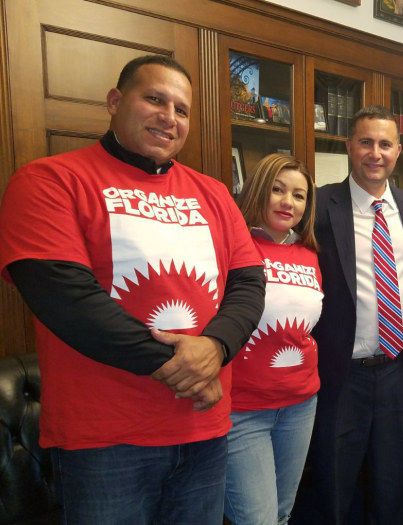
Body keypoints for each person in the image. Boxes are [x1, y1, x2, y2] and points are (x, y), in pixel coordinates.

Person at [0, 55, 266, 523]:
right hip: (106, 441)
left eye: (182, 110)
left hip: (205, 430)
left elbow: (248, 282)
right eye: (155, 99)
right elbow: (66, 297)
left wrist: (217, 347)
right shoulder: (50, 180)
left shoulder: (215, 194)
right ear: (115, 102)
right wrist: (190, 368)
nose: (169, 117)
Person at [310, 105, 403, 524]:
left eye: (384, 144)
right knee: (333, 487)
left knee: (395, 489)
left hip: (401, 372)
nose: (375, 153)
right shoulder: (318, 204)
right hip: (342, 375)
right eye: (366, 142)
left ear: (398, 151)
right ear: (349, 147)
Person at [224, 153, 323, 525]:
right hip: (242, 408)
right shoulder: (233, 247)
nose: (288, 202)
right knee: (257, 520)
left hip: (300, 403)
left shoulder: (310, 253)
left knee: (282, 513)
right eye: (277, 190)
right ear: (258, 192)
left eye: (299, 195)